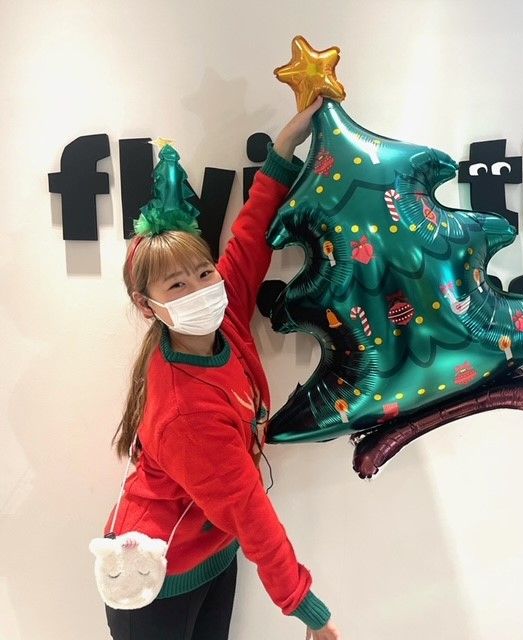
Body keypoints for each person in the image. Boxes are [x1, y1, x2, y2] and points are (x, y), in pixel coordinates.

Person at [101, 96, 341, 640]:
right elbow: (250, 512)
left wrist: (285, 146)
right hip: (153, 581)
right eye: (176, 284)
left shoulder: (222, 316)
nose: (200, 289)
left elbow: (251, 236)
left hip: (211, 554)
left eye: (204, 272)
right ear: (147, 306)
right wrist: (308, 609)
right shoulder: (185, 410)